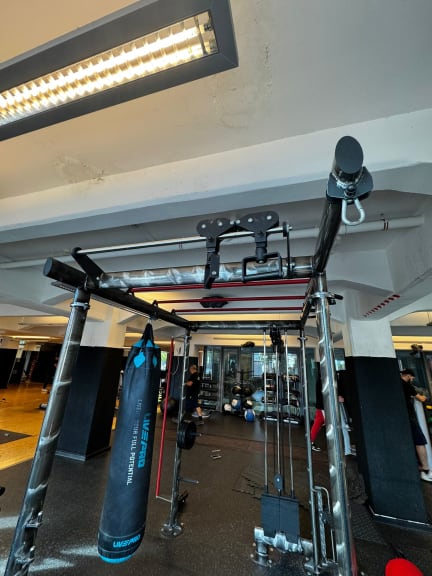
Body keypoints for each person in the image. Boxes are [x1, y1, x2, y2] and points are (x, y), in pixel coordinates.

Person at [400, 368, 432, 482]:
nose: (412, 380)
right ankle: (426, 469)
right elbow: (422, 398)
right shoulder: (407, 385)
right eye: (412, 378)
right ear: (408, 376)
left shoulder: (397, 384)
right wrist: (426, 396)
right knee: (420, 440)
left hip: (402, 417)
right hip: (410, 417)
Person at [311, 374, 325, 452]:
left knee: (317, 425)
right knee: (317, 425)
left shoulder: (320, 381)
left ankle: (311, 442)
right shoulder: (321, 381)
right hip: (322, 407)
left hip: (321, 406)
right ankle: (311, 442)